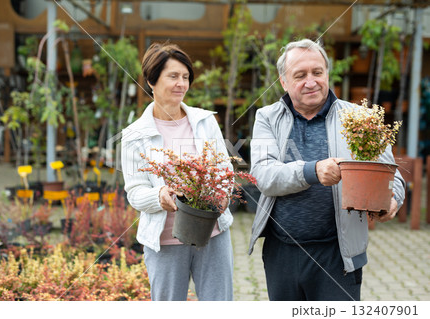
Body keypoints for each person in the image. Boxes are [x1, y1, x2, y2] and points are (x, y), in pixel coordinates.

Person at [248, 39, 405, 301]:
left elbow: (391, 173)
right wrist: (313, 171)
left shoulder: (358, 117)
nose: (311, 81)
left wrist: (393, 198)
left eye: (317, 72)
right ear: (284, 82)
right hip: (282, 254)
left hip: (339, 254)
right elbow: (264, 175)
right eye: (300, 75)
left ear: (327, 74)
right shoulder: (267, 117)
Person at [121, 42, 233, 301]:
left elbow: (223, 170)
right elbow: (135, 192)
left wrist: (224, 193)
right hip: (166, 241)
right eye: (173, 76)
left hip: (213, 234)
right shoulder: (134, 136)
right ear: (151, 80)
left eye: (185, 77)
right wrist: (159, 195)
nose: (181, 84)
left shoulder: (205, 122)